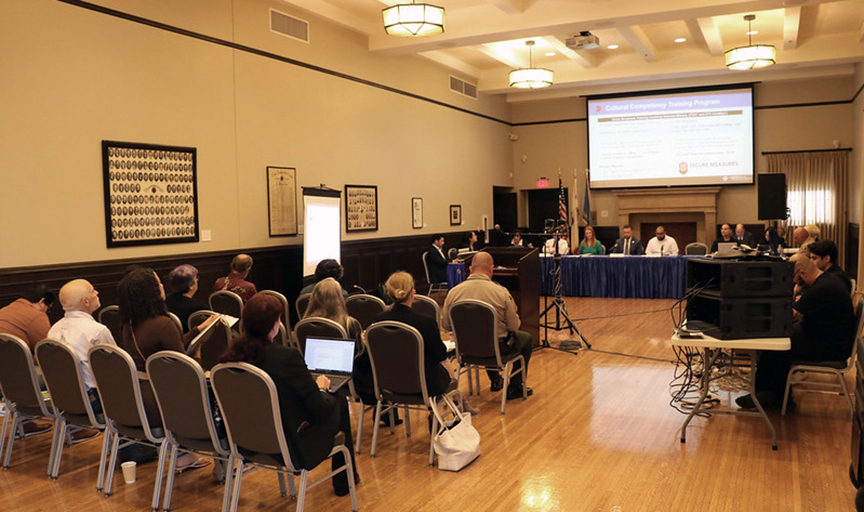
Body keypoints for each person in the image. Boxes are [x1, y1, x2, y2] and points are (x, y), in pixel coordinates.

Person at [220, 294, 359, 497]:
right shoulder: (287, 358)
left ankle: (346, 480)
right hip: (291, 445)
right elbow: (320, 409)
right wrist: (321, 388)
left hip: (245, 441)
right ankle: (344, 482)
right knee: (337, 400)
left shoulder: (230, 358)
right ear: (274, 326)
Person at [117, 268, 216, 469]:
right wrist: (198, 358)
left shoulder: (129, 323)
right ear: (150, 291)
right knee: (209, 390)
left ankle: (184, 454)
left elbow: (167, 347)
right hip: (160, 401)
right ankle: (198, 459)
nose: (162, 286)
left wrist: (198, 329)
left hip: (136, 396)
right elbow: (183, 370)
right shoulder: (163, 323)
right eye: (158, 283)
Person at [737, 253, 855, 409]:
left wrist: (792, 292)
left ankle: (771, 396)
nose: (791, 282)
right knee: (777, 338)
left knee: (776, 343)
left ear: (802, 274)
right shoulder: (826, 280)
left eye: (791, 278)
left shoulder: (821, 289)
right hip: (827, 337)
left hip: (830, 346)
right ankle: (770, 394)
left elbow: (790, 315)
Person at [441, 251, 533, 400]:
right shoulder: (501, 292)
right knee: (526, 339)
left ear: (470, 269)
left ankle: (496, 380)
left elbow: (446, 324)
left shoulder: (453, 293)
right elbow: (514, 326)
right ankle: (515, 387)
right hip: (495, 349)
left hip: (464, 350)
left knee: (480, 334)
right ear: (491, 269)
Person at [47, 279, 116, 415]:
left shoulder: (54, 329)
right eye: (93, 291)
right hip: (93, 401)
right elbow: (115, 368)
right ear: (86, 302)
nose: (97, 292)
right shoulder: (97, 331)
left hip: (62, 399)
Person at [0, 283, 54, 352]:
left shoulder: (5, 309)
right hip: (14, 355)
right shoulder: (37, 316)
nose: (46, 312)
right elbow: (45, 349)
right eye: (48, 308)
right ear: (42, 302)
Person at [164, 264, 207, 333]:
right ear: (190, 286)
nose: (197, 280)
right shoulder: (198, 307)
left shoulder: (166, 300)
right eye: (196, 278)